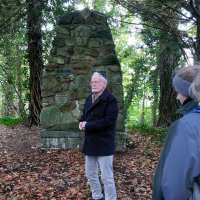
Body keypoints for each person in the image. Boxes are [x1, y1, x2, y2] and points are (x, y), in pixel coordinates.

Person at [152, 65, 200, 200]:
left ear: (190, 92)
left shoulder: (187, 126)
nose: (178, 97)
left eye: (179, 91)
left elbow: (174, 184)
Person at [79, 72, 118, 200]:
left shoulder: (110, 99)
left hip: (104, 143)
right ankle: (97, 196)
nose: (93, 84)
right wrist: (81, 122)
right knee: (90, 174)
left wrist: (87, 125)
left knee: (106, 177)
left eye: (96, 81)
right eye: (92, 81)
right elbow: (85, 116)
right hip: (91, 142)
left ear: (104, 84)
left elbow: (109, 121)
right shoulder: (89, 98)